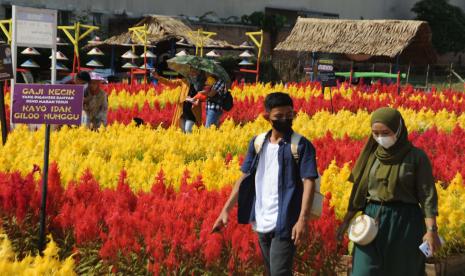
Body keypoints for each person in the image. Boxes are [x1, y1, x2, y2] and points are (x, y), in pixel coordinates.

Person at [212, 92, 319, 275]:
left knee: (279, 272)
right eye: (279, 116)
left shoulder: (301, 145)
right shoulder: (258, 143)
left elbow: (309, 181)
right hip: (261, 218)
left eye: (289, 115)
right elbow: (244, 177)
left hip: (286, 220)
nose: (285, 119)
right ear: (267, 117)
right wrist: (225, 210)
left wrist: (302, 219)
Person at [336, 107, 441, 276]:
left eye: (385, 132)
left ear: (398, 129)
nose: (380, 137)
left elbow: (427, 196)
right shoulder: (371, 155)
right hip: (371, 220)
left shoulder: (416, 157)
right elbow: (359, 191)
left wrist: (431, 231)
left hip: (405, 222)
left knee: (402, 271)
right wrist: (346, 221)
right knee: (363, 271)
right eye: (375, 133)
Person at [153, 69, 204, 133]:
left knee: (188, 129)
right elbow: (170, 82)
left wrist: (195, 99)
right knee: (181, 131)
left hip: (193, 111)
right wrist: (158, 77)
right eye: (191, 71)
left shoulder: (201, 84)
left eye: (195, 71)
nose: (192, 73)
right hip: (182, 111)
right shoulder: (184, 81)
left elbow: (203, 96)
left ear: (198, 73)